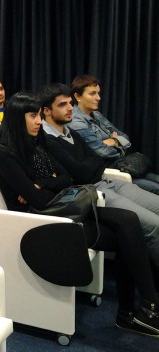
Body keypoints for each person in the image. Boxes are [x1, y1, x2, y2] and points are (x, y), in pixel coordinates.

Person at [0, 92, 159, 338]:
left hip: (65, 207)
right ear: (18, 119)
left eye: (39, 115)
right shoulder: (5, 154)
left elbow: (67, 178)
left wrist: (42, 183)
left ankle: (144, 307)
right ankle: (138, 311)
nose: (38, 121)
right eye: (32, 116)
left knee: (128, 220)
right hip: (41, 222)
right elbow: (39, 201)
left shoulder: (38, 143)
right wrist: (47, 185)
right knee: (127, 233)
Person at [39, 83, 159, 270]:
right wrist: (90, 165)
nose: (70, 108)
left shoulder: (70, 132)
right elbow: (80, 173)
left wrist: (89, 165)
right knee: (154, 225)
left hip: (107, 182)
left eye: (70, 103)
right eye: (63, 104)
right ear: (46, 111)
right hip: (92, 192)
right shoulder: (47, 140)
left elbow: (97, 160)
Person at [68, 75, 159, 194]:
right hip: (107, 172)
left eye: (98, 93)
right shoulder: (76, 122)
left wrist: (114, 141)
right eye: (92, 93)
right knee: (156, 188)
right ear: (78, 96)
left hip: (123, 166)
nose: (98, 98)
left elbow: (125, 137)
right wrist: (117, 142)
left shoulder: (96, 114)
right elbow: (102, 151)